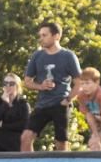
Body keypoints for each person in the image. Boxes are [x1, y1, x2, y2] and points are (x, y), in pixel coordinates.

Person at [20, 21, 81, 151]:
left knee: (60, 142)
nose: (41, 38)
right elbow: (27, 81)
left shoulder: (68, 56)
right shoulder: (37, 56)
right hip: (42, 104)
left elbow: (79, 82)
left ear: (56, 36)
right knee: (26, 137)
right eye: (40, 35)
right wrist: (41, 86)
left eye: (44, 35)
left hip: (61, 103)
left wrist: (68, 99)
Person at [0, 73, 31, 152]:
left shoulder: (23, 104)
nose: (8, 86)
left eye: (11, 84)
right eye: (5, 83)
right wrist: (5, 104)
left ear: (17, 87)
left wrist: (3, 125)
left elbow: (24, 125)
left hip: (15, 144)